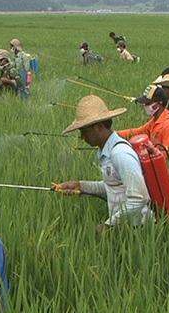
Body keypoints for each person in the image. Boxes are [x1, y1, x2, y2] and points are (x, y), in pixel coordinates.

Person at [54, 95, 152, 232]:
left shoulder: (120, 154)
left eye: (84, 131)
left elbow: (139, 198)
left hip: (138, 228)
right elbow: (113, 186)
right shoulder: (107, 152)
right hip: (125, 228)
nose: (82, 138)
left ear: (98, 127)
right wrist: (80, 186)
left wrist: (108, 225)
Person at [118, 85, 169, 150]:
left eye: (148, 103)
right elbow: (136, 133)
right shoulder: (153, 122)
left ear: (159, 103)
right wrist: (114, 134)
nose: (145, 106)